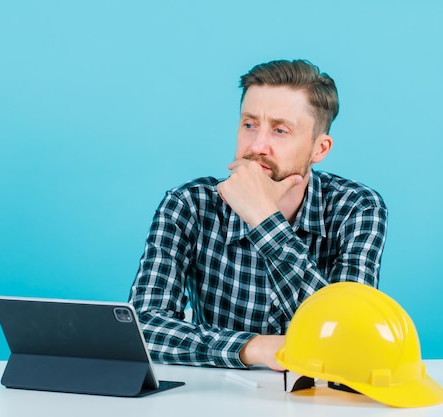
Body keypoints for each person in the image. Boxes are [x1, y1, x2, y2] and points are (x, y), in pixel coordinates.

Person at [128, 59, 388, 370]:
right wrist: (253, 347)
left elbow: (349, 336)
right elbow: (142, 329)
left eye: (280, 130)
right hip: (218, 394)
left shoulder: (358, 208)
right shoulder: (189, 204)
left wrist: (264, 219)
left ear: (319, 149)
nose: (257, 145)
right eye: (249, 124)